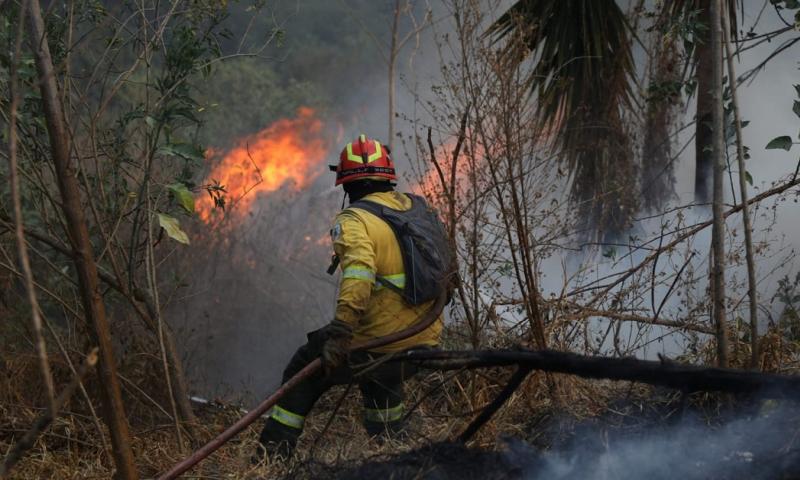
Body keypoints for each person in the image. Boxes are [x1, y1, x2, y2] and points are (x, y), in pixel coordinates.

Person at [255, 134, 444, 459]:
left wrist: (341, 333)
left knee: (303, 372)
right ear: (388, 178)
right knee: (381, 378)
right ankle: (391, 447)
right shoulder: (418, 208)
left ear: (346, 185)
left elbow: (358, 277)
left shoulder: (354, 220)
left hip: (380, 346)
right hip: (424, 340)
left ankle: (271, 457)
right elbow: (448, 269)